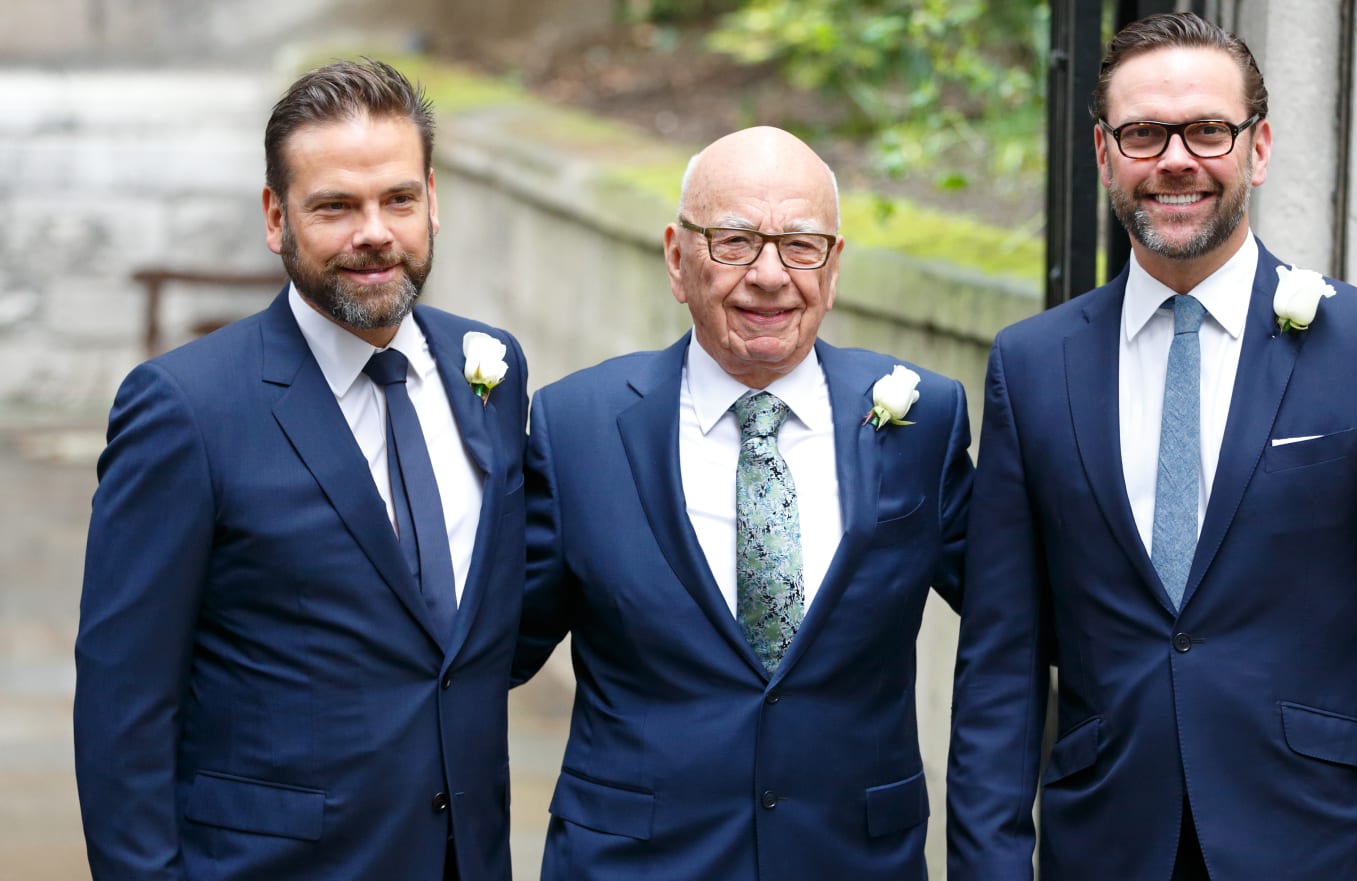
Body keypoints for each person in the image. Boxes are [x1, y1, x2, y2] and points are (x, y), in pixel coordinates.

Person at [946, 13, 1357, 881]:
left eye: (1207, 130)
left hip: (1317, 846)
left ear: (1257, 148)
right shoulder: (1031, 366)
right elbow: (999, 664)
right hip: (1106, 845)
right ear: (1104, 152)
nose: (1176, 159)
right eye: (1145, 133)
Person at [74, 59, 528, 881]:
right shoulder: (185, 409)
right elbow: (123, 706)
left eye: (398, 198)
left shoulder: (490, 370)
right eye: (335, 207)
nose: (375, 232)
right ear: (275, 217)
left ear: (434, 200)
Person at [513, 125, 972, 880]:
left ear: (833, 266)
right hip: (636, 864)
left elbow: (1018, 628)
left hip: (854, 860)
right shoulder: (575, 426)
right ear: (675, 257)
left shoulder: (923, 421)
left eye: (800, 245)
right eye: (733, 242)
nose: (769, 275)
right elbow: (490, 651)